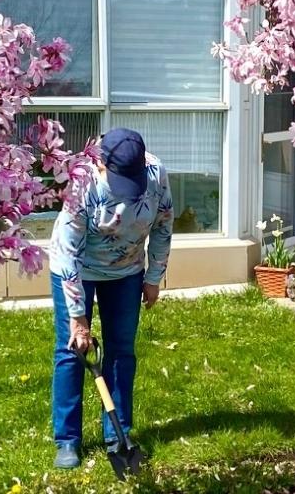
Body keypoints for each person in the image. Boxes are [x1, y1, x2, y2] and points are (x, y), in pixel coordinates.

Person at [49, 128, 173, 469]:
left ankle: (118, 434)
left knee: (121, 352)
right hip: (77, 269)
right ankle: (67, 440)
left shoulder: (155, 173)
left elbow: (163, 224)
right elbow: (69, 253)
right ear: (100, 163)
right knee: (72, 350)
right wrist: (78, 317)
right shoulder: (82, 183)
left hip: (127, 272)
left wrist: (153, 277)